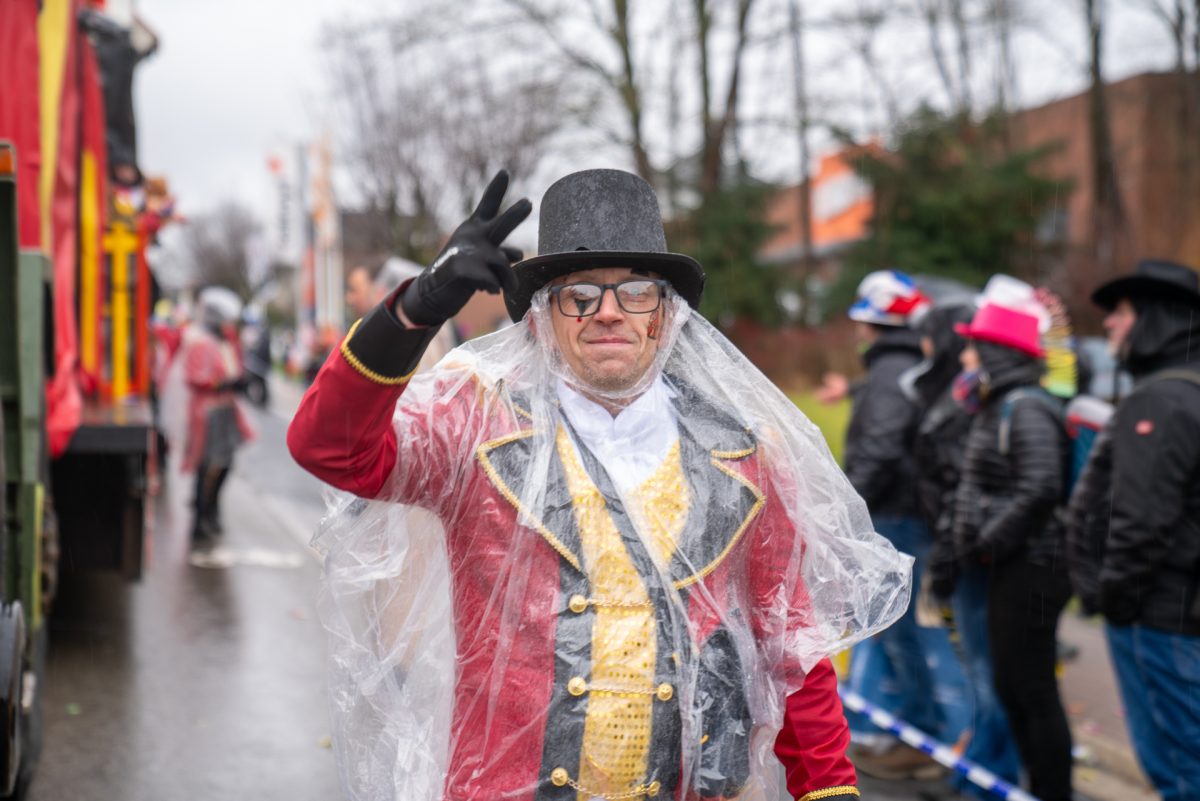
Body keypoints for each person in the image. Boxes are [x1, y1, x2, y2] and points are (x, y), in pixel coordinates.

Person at [287, 169, 911, 801]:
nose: (607, 311)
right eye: (578, 294)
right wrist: (412, 310)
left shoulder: (743, 458)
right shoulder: (476, 426)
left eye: (636, 291)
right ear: (542, 319)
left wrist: (829, 791)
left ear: (666, 317)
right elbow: (331, 450)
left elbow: (791, 647)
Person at [1082, 259, 1200, 800]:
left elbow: (1140, 521)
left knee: (1178, 766)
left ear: (1157, 318)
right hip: (1179, 612)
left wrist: (1115, 599)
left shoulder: (1162, 399)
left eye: (1122, 312)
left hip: (1159, 618)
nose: (1109, 324)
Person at [953, 300, 1073, 801]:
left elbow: (1042, 485)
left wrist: (987, 540)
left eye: (976, 345)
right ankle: (1035, 785)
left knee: (1032, 689)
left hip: (1033, 567)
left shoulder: (1024, 406)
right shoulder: (1002, 402)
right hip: (1014, 563)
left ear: (998, 351)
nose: (968, 355)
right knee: (1015, 686)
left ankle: (1050, 790)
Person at [908, 302, 1021, 796]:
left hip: (982, 558)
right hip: (964, 550)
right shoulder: (970, 398)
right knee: (981, 667)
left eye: (976, 344)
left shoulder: (991, 405)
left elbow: (992, 488)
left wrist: (966, 544)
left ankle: (983, 779)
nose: (967, 354)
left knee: (990, 672)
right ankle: (977, 772)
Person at [838, 270, 944, 779]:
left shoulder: (889, 374)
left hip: (894, 519)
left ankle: (921, 738)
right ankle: (912, 733)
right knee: (899, 631)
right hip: (905, 512)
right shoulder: (905, 368)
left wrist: (840, 509)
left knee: (899, 631)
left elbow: (878, 448)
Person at [174, 287, 254, 543]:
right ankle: (200, 518)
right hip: (207, 412)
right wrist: (225, 383)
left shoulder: (223, 341)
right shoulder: (199, 341)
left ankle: (211, 511)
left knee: (225, 464)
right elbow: (196, 377)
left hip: (224, 409)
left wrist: (236, 381)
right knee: (205, 466)